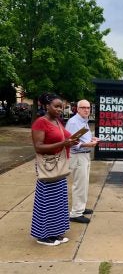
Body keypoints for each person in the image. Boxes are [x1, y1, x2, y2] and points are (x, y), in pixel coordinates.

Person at [31, 93, 79, 246]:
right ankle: (43, 236)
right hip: (48, 167)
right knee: (47, 203)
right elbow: (38, 147)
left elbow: (67, 139)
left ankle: (56, 233)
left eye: (61, 107)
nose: (60, 109)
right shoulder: (40, 122)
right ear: (46, 106)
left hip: (59, 167)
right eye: (56, 106)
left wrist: (74, 142)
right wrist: (63, 144)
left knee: (58, 204)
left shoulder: (57, 122)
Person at [65, 100, 99, 224]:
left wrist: (91, 139)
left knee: (84, 183)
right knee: (79, 184)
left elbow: (79, 138)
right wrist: (87, 144)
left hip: (84, 155)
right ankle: (75, 213)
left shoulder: (83, 121)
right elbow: (70, 142)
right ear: (77, 109)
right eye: (83, 107)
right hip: (78, 156)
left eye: (88, 107)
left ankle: (81, 208)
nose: (86, 110)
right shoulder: (74, 122)